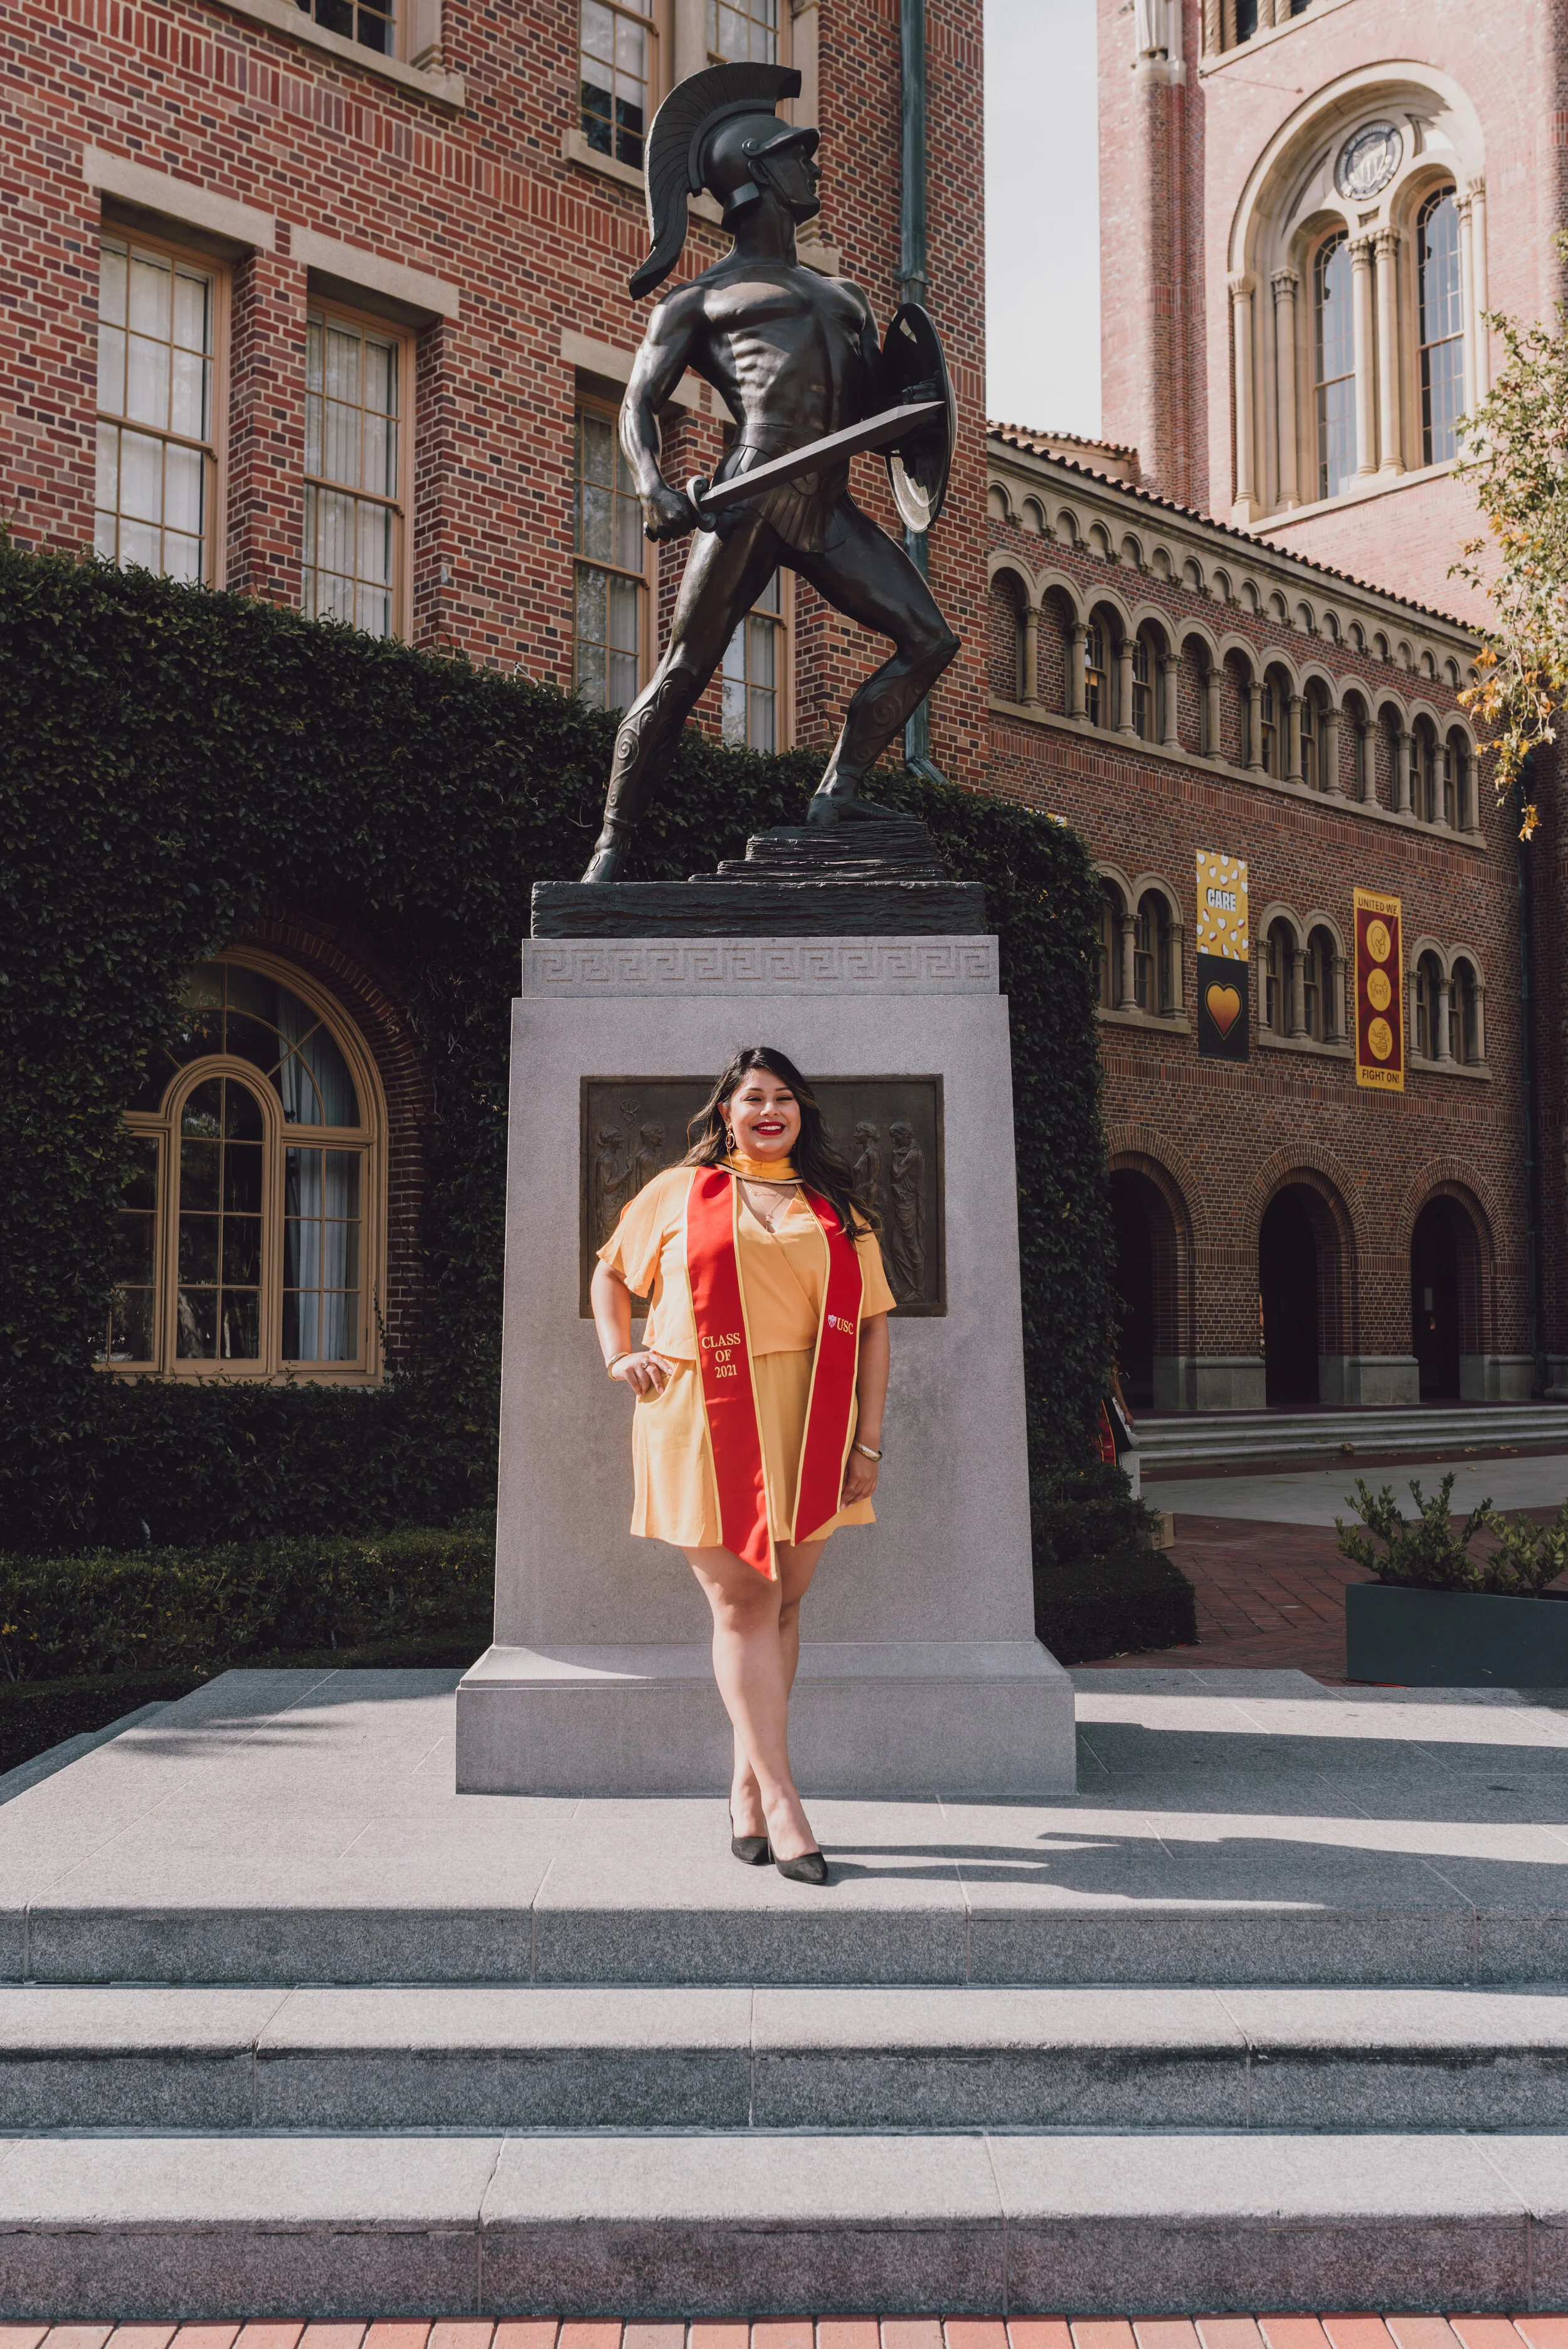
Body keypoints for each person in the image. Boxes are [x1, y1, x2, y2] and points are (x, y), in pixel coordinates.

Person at [589, 1046, 894, 1884]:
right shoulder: (677, 1192)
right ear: (724, 1111)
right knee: (745, 1598)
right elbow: (611, 1273)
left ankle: (745, 1787)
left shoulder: (835, 1208)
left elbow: (871, 1327)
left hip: (810, 1418)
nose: (770, 1110)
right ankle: (787, 1798)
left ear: (802, 1114)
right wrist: (621, 1354)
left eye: (785, 1098)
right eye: (753, 1097)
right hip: (702, 1415)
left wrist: (866, 1442)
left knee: (785, 1605)